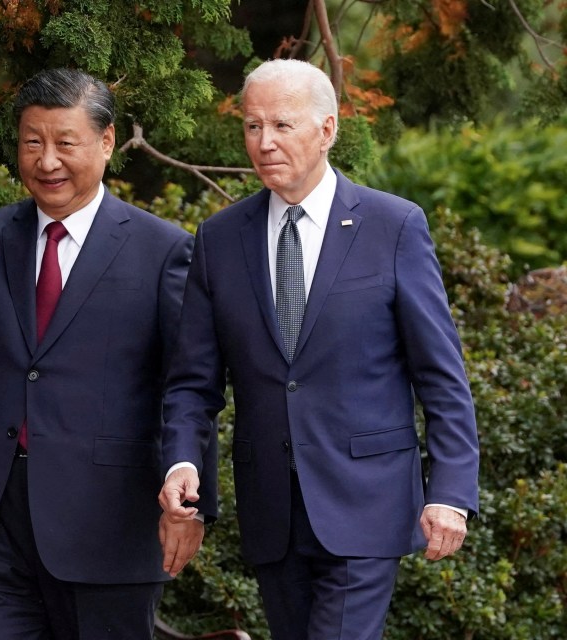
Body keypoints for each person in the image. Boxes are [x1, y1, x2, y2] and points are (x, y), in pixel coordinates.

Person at [0, 67, 214, 639]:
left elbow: (189, 384)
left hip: (107, 525)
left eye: (65, 143)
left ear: (106, 142)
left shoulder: (164, 251)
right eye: (32, 143)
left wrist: (191, 498)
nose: (47, 160)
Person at [158, 59, 480, 640]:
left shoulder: (395, 226)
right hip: (271, 511)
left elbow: (441, 374)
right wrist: (182, 461)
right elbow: (192, 382)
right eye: (252, 127)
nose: (264, 142)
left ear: (327, 129)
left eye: (282, 125)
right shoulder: (219, 239)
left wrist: (452, 491)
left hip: (366, 502)